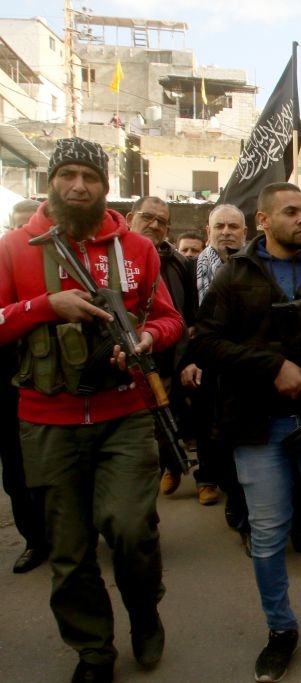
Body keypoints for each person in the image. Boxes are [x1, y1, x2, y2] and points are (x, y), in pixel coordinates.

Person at [0, 137, 184, 683]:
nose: (77, 186)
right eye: (67, 175)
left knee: (131, 529)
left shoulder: (138, 249)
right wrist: (42, 307)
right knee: (70, 550)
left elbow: (171, 319)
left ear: (106, 187)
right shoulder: (15, 248)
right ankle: (93, 651)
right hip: (46, 418)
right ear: (51, 181)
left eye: (89, 177)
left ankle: (145, 609)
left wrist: (148, 338)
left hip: (124, 412)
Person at [191, 182, 301, 683]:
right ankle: (281, 629)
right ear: (264, 220)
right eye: (290, 212)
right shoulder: (235, 275)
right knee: (268, 537)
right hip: (258, 426)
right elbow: (204, 343)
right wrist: (271, 366)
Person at [125, 197, 205, 503]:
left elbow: (186, 313)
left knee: (168, 420)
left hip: (169, 357)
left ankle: (173, 465)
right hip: (123, 364)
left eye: (162, 221)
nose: (155, 225)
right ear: (132, 216)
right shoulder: (113, 255)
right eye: (148, 218)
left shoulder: (177, 262)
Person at [182, 203, 249, 539]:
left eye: (233, 227)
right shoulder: (190, 270)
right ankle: (213, 480)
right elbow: (185, 322)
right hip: (206, 363)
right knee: (211, 428)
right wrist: (190, 359)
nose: (226, 232)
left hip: (246, 366)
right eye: (219, 226)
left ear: (245, 233)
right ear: (208, 232)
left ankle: (239, 497)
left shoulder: (255, 269)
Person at [0, 198, 47, 574]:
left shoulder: (49, 265)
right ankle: (35, 540)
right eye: (16, 225)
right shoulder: (6, 260)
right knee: (17, 474)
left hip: (48, 385)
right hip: (7, 389)